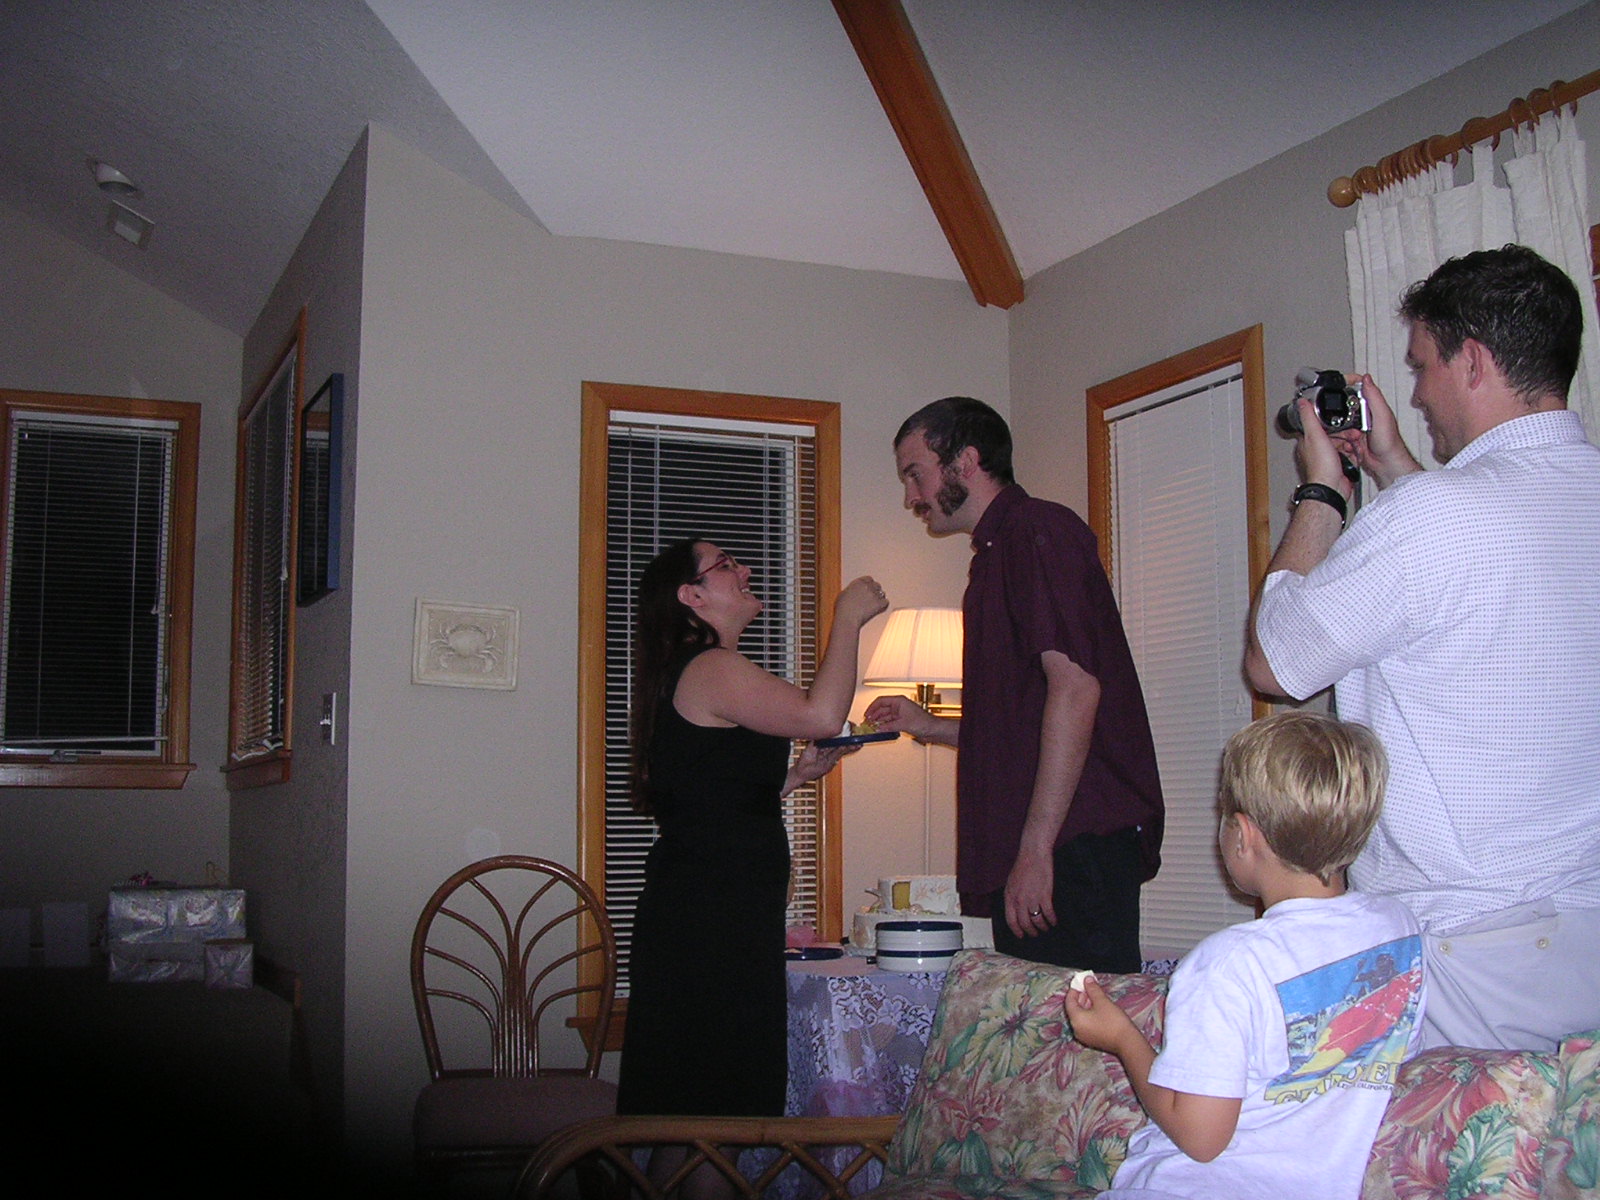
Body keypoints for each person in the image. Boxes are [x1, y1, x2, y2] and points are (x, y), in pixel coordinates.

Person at [1246, 244, 1600, 1052]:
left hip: (1470, 955)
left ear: (1471, 361)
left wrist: (1322, 490)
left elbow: (1275, 663)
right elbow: (1473, 573)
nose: (1416, 392)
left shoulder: (1433, 518)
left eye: (1422, 364)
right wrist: (1397, 469)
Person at [1069, 711, 1425, 1200]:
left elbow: (1200, 1139)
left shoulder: (1228, 964)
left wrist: (1122, 1038)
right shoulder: (1398, 930)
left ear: (1242, 834)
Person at [864, 398, 1163, 971]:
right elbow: (1020, 729)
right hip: (1052, 844)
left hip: (1074, 845)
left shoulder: (1037, 531)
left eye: (915, 474)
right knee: (1034, 1024)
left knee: (1071, 1025)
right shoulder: (995, 556)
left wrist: (1036, 849)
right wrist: (927, 725)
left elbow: (1076, 689)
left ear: (966, 460)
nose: (910, 497)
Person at [617, 537, 887, 1128]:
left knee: (694, 1108)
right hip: (711, 919)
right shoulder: (711, 667)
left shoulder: (699, 671)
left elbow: (710, 797)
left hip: (711, 909)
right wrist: (846, 617)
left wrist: (794, 777)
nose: (744, 569)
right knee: (716, 1105)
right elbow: (821, 715)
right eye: (725, 565)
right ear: (691, 597)